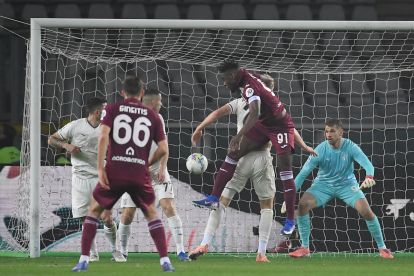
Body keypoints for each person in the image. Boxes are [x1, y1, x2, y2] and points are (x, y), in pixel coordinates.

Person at [190, 75, 314, 262]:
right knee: (267, 205)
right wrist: (304, 146)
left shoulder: (239, 102)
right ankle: (261, 253)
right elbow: (290, 129)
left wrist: (200, 127)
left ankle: (204, 242)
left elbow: (216, 113)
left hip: (240, 159)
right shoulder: (273, 109)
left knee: (221, 202)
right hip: (262, 159)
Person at [71, 76, 175, 272]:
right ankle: (165, 260)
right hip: (138, 172)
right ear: (142, 93)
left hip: (115, 171)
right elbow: (163, 148)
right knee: (152, 213)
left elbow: (103, 136)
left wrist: (101, 169)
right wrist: (146, 164)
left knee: (93, 212)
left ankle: (84, 258)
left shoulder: (111, 109)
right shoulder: (152, 116)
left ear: (122, 93)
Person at [288, 119, 393, 259]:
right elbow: (302, 174)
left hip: (347, 185)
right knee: (302, 205)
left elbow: (368, 165)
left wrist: (369, 176)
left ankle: (383, 248)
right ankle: (305, 248)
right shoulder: (320, 149)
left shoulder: (351, 146)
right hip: (323, 185)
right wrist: (289, 196)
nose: (328, 134)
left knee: (366, 212)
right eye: (326, 131)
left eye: (332, 131)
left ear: (341, 132)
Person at [118, 88, 189, 262]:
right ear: (152, 102)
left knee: (168, 207)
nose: (162, 104)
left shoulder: (158, 119)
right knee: (128, 214)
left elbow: (164, 146)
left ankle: (180, 251)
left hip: (157, 171)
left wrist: (162, 168)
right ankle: (122, 252)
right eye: (160, 101)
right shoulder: (130, 120)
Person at [48, 97, 122, 262]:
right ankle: (93, 253)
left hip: (101, 177)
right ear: (97, 112)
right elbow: (51, 139)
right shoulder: (75, 126)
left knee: (107, 217)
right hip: (80, 177)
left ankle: (116, 251)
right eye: (105, 109)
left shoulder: (109, 128)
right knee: (86, 218)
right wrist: (66, 146)